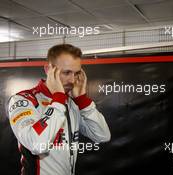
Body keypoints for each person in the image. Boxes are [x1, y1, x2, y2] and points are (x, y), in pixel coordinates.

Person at [8, 44, 111, 175]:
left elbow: (102, 136)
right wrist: (58, 99)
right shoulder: (24, 100)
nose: (72, 80)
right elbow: (37, 145)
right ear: (48, 70)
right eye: (67, 72)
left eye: (77, 73)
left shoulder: (71, 103)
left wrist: (82, 101)